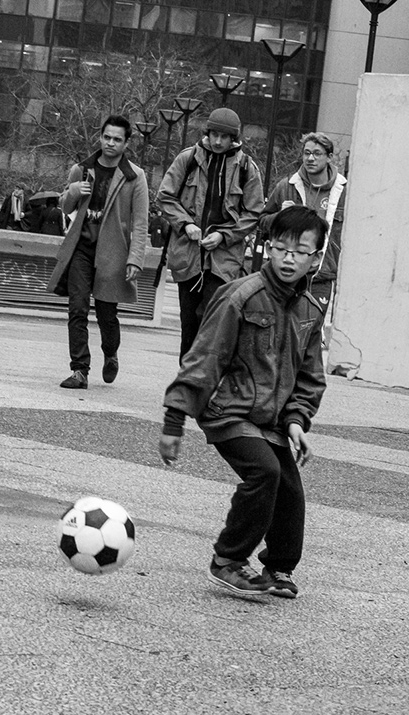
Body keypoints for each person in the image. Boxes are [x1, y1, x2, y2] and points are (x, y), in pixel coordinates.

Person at [159, 206, 329, 599]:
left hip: (271, 420)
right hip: (227, 411)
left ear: (315, 259)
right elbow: (204, 358)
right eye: (281, 248)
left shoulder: (310, 311)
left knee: (290, 489)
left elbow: (309, 377)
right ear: (267, 248)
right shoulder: (239, 295)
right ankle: (228, 560)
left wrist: (297, 421)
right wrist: (174, 422)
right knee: (264, 472)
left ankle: (279, 567)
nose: (289, 258)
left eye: (300, 251)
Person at [48, 116, 149, 390]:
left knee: (107, 314)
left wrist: (135, 259)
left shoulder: (135, 177)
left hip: (113, 252)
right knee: (77, 308)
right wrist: (72, 191)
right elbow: (66, 208)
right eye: (107, 137)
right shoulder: (82, 169)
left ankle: (111, 352)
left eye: (117, 139)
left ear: (126, 143)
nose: (110, 143)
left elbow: (140, 222)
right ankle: (80, 370)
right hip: (81, 248)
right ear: (100, 137)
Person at [157, 107, 264, 360]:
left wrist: (224, 236)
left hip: (224, 259)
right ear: (207, 133)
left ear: (233, 138)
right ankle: (187, 380)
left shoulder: (247, 167)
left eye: (224, 136)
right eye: (214, 134)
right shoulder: (188, 159)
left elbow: (254, 212)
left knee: (210, 318)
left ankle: (204, 378)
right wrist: (185, 224)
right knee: (189, 323)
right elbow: (165, 196)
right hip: (188, 254)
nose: (217, 141)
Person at [259, 132, 346, 311]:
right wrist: (280, 216)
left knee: (312, 329)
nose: (310, 158)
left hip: (322, 275)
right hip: (287, 272)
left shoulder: (345, 192)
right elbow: (261, 222)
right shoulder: (287, 186)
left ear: (329, 157)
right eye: (306, 153)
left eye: (317, 153)